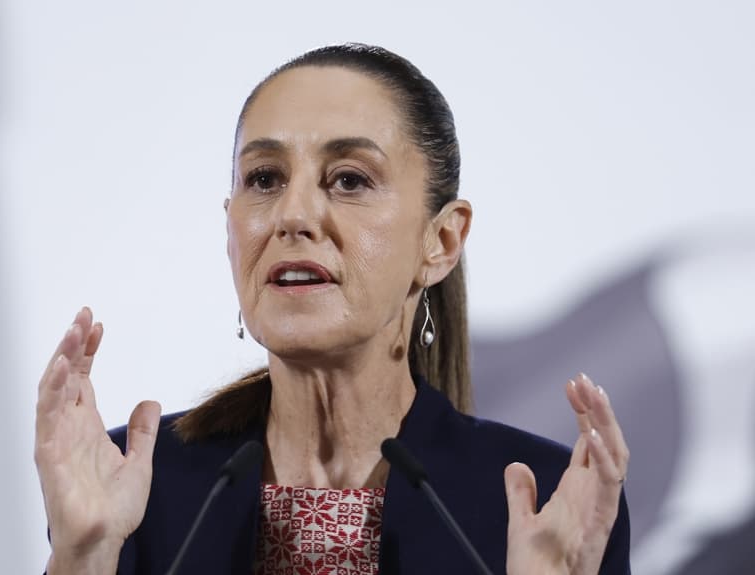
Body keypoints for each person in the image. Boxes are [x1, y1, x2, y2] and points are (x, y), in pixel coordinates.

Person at [34, 44, 630, 574]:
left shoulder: (539, 500)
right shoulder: (137, 483)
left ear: (442, 241)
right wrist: (82, 559)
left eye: (348, 180)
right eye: (264, 179)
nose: (293, 215)